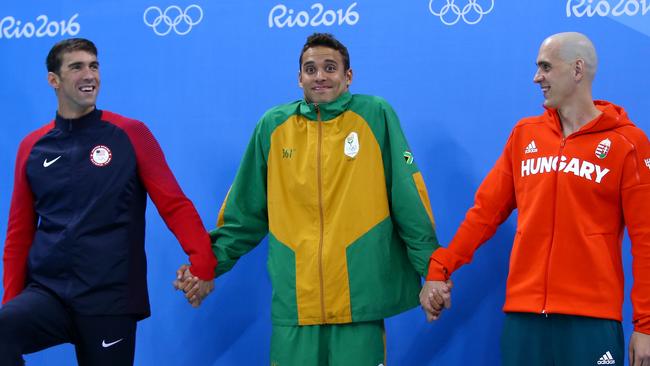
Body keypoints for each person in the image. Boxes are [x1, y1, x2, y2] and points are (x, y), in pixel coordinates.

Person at [176, 32, 444, 365]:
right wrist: (207, 267)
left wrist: (434, 272)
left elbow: (409, 198)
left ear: (348, 76)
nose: (320, 76)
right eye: (310, 69)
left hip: (357, 305)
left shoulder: (376, 115)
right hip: (295, 306)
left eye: (330, 68)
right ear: (299, 77)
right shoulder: (272, 127)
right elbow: (242, 216)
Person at [420, 32, 650, 365]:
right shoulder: (525, 135)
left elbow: (645, 240)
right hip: (523, 316)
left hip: (590, 319)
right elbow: (485, 213)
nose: (536, 77)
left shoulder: (627, 143)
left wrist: (645, 324)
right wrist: (441, 267)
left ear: (577, 70)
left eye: (545, 67)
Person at [0, 38, 216, 366]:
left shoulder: (131, 133)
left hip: (109, 299)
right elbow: (19, 234)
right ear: (53, 80)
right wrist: (11, 307)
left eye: (94, 66)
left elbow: (174, 205)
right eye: (77, 67)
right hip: (49, 294)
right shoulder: (32, 147)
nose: (90, 75)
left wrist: (203, 265)